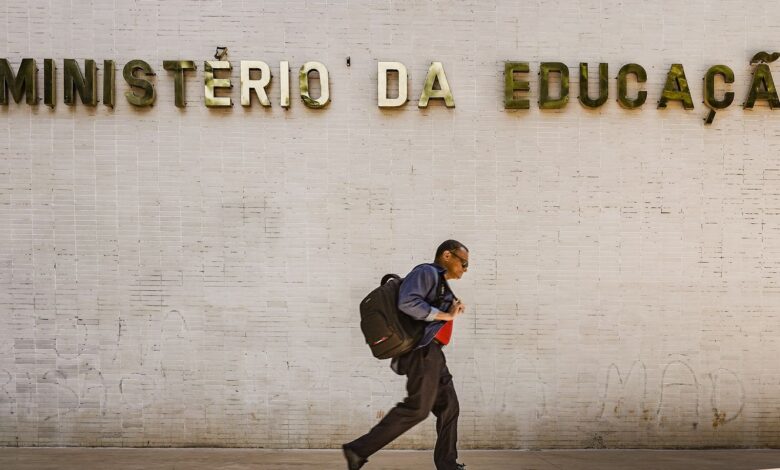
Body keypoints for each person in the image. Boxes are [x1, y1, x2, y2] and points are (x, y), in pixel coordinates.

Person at [343, 240, 469, 470]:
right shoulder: (427, 272)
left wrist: (452, 310)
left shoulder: (438, 282)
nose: (466, 269)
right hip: (422, 353)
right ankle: (358, 449)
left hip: (434, 354)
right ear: (447, 256)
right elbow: (407, 302)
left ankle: (447, 464)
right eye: (464, 262)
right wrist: (446, 316)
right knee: (417, 409)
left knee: (450, 405)